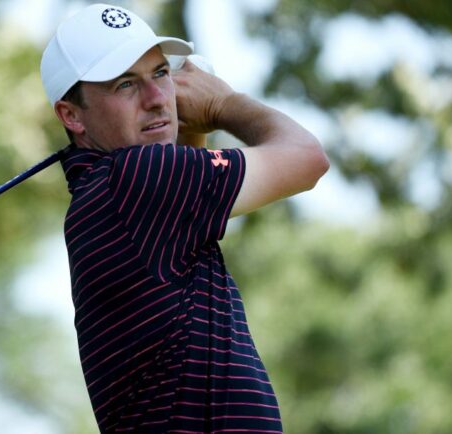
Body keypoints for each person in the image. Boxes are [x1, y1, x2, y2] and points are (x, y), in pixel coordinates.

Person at [40, 3, 329, 432]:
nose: (158, 98)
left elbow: (189, 219)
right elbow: (307, 158)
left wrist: (191, 129)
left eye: (160, 73)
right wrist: (221, 103)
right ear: (71, 115)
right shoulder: (135, 178)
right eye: (125, 84)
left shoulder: (107, 195)